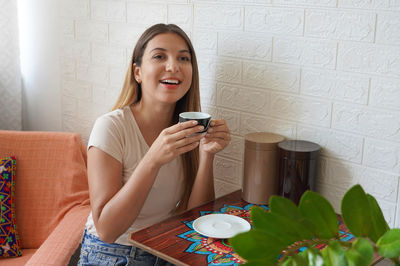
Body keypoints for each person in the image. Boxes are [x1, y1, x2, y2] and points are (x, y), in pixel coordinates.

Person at [78, 23, 231, 265]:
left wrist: (207, 155)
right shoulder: (111, 127)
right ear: (137, 72)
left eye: (184, 58)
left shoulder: (187, 128)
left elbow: (195, 220)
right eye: (159, 56)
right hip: (112, 252)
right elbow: (107, 229)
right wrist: (153, 159)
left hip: (165, 249)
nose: (173, 67)